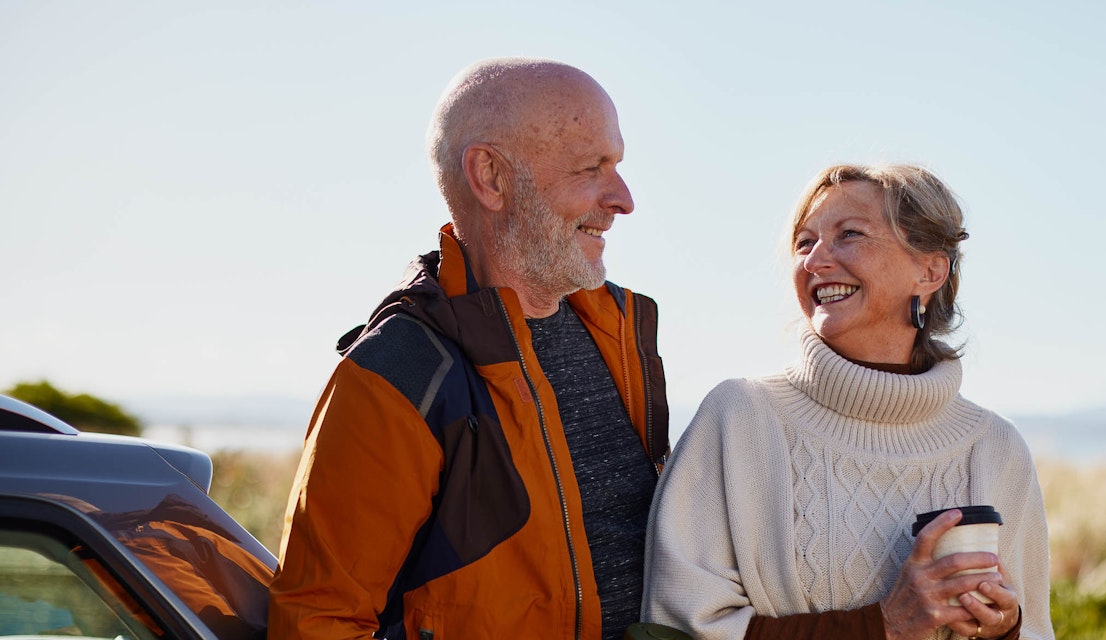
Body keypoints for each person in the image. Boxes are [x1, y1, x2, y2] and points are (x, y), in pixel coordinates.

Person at [268, 57, 670, 640]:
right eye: (592, 168)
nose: (624, 199)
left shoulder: (622, 333)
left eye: (619, 165)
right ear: (492, 178)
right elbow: (315, 623)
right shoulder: (396, 375)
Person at [641, 164, 1051, 640]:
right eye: (804, 242)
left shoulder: (995, 449)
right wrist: (884, 627)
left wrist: (1003, 629)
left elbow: (1036, 630)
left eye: (849, 234)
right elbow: (680, 627)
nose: (815, 260)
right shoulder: (738, 418)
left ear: (930, 269)